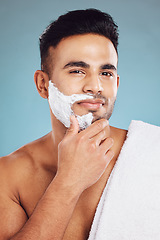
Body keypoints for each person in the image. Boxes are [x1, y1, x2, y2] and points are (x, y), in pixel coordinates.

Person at [0, 8, 130, 240]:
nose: (95, 86)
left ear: (117, 84)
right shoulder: (8, 176)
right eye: (77, 70)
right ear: (42, 84)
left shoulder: (153, 151)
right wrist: (69, 181)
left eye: (106, 73)